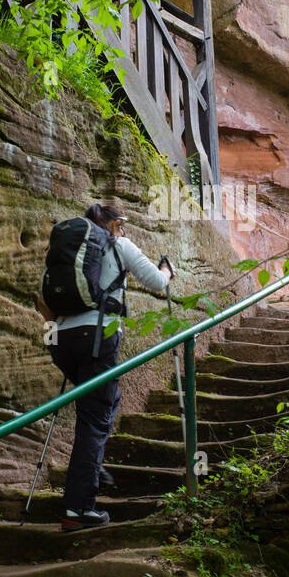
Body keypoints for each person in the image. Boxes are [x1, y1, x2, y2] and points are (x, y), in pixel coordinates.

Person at [47, 202, 173, 531]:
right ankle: (77, 511)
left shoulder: (70, 250)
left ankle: (91, 470)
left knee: (102, 405)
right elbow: (157, 284)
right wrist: (167, 272)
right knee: (96, 416)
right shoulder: (118, 244)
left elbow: (42, 299)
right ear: (115, 224)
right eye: (123, 225)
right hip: (97, 338)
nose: (125, 230)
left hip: (61, 340)